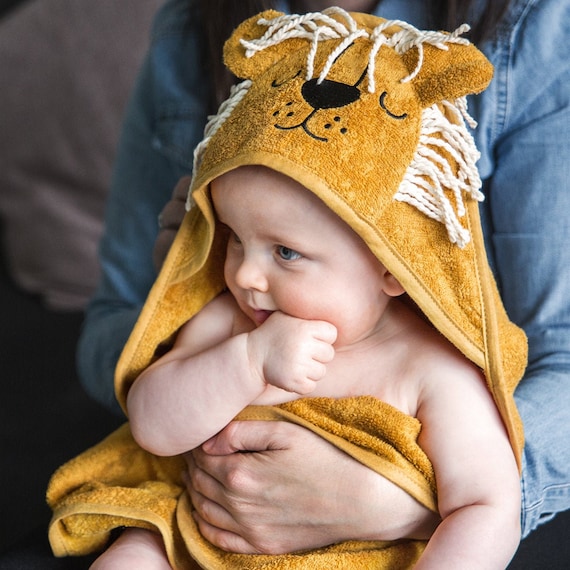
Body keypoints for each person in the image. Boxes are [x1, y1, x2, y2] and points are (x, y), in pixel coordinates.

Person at [77, 0, 570, 557]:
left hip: (357, 553)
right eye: (236, 237)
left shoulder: (430, 369)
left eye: (286, 252)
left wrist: (395, 501)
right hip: (204, 531)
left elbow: (485, 506)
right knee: (133, 552)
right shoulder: (234, 324)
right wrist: (244, 362)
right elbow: (152, 425)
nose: (244, 274)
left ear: (393, 266)